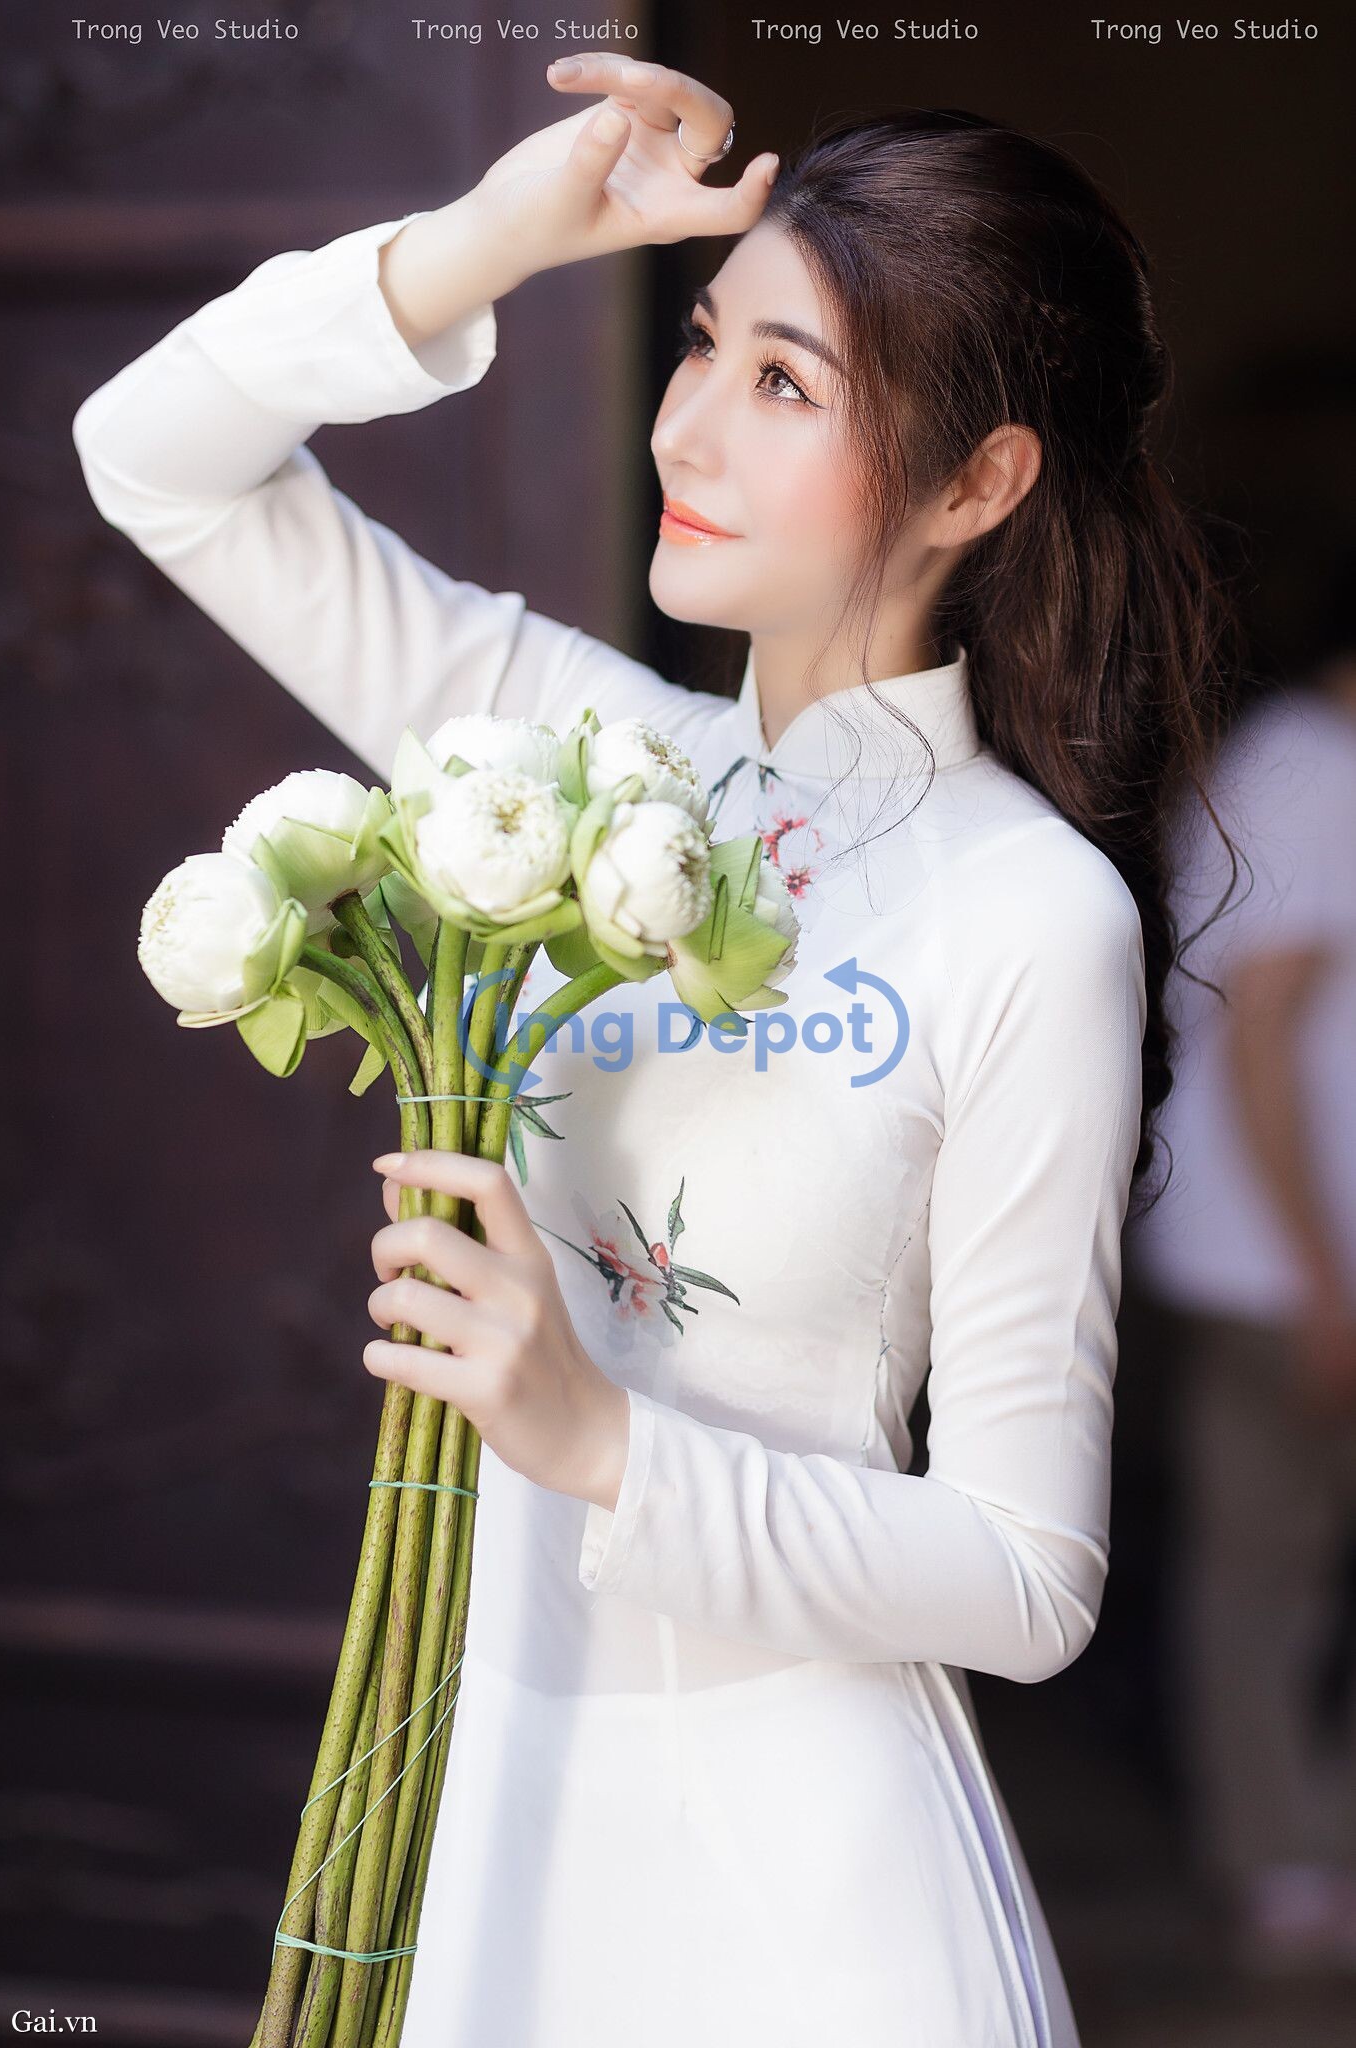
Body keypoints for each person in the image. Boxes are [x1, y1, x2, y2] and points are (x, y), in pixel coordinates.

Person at [72, 56, 1236, 2048]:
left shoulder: (1027, 911)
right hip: (492, 1831)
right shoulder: (576, 757)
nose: (683, 423)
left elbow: (1027, 1572)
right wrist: (488, 243)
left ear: (977, 485)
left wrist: (599, 1437)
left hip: (810, 1905)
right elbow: (152, 453)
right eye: (703, 343)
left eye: (784, 383)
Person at [1131, 628, 1356, 1973]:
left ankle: (1292, 1854)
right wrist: (1323, 1277)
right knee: (1268, 1574)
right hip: (1283, 1267)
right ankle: (1281, 1864)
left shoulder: (1285, 761)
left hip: (1269, 1256)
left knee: (1271, 1569)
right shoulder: (1314, 771)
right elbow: (1263, 1030)